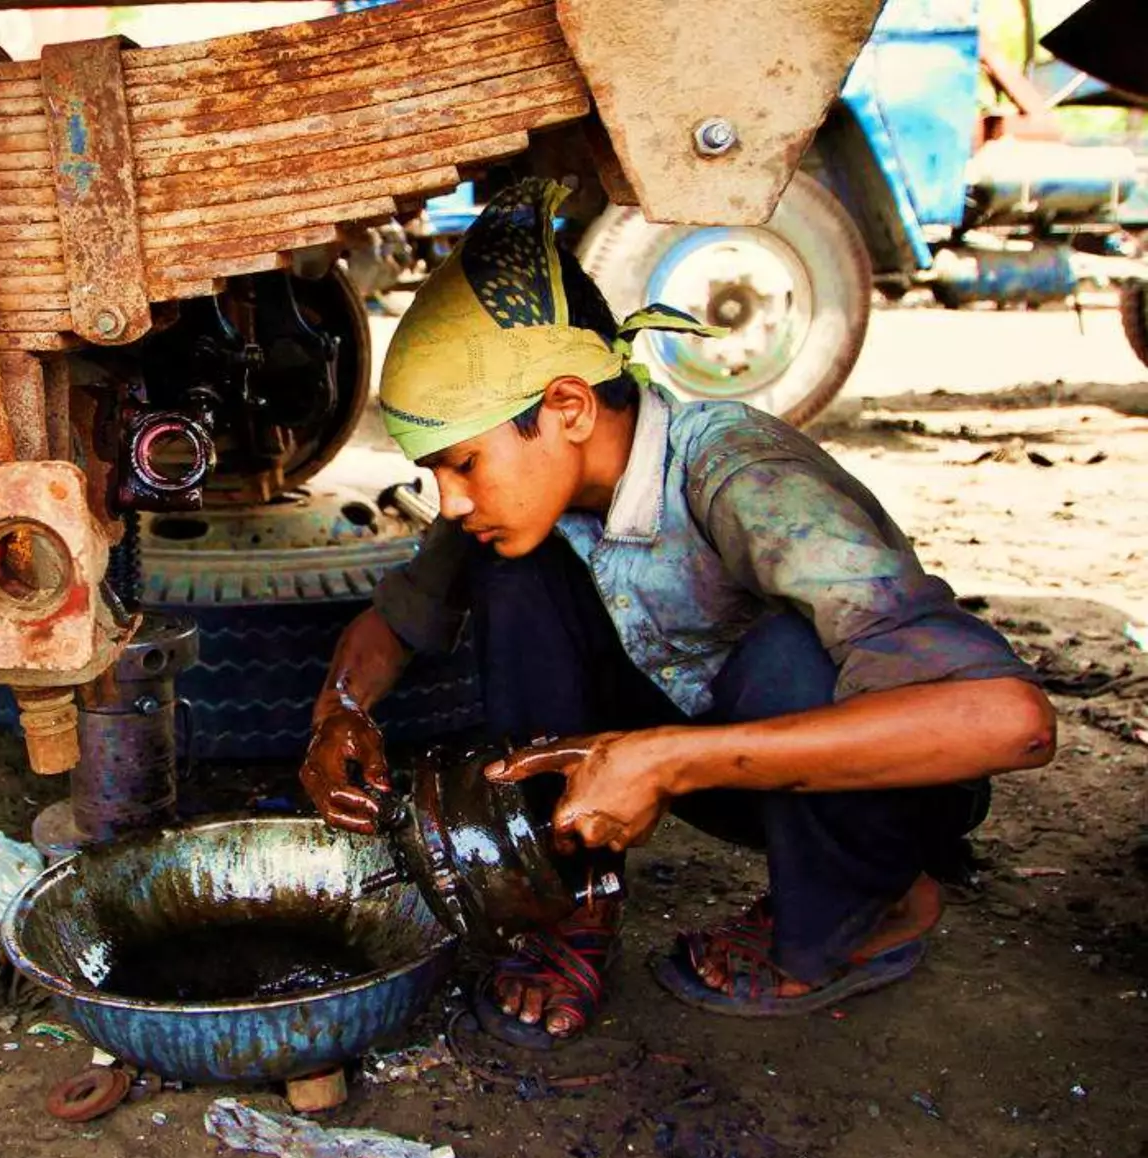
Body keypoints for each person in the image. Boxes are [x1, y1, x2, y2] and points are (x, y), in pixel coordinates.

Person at [300, 179, 1055, 1047]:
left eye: (464, 463)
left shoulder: (740, 475)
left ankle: (873, 908)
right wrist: (340, 715)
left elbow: (1013, 724)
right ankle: (568, 906)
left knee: (785, 657)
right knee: (513, 570)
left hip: (876, 781)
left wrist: (664, 761)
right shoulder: (520, 508)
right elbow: (391, 627)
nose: (452, 499)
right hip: (714, 762)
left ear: (567, 407)